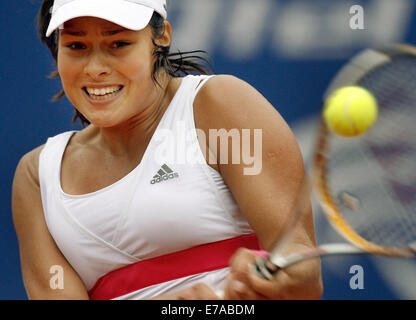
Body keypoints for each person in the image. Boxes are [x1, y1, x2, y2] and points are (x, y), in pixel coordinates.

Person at [12, 0, 322, 300]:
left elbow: (303, 272)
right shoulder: (38, 176)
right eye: (76, 46)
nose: (95, 69)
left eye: (118, 44)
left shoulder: (222, 106)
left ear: (161, 36)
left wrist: (271, 278)